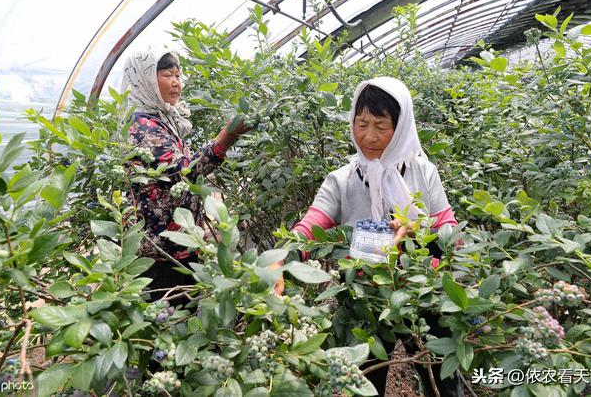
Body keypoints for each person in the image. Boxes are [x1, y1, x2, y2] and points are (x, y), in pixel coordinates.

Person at [274, 77, 461, 396]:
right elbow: (309, 227)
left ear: (400, 128)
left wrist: (417, 228)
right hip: (366, 300)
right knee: (363, 386)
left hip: (423, 297)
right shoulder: (343, 180)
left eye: (381, 125)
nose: (369, 137)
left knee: (442, 385)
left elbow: (451, 234)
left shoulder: (422, 172)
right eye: (361, 124)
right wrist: (278, 260)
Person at [122, 49, 246, 302]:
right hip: (161, 246)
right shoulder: (141, 126)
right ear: (145, 79)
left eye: (178, 75)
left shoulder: (161, 117)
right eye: (169, 75)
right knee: (169, 313)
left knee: (185, 307)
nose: (177, 82)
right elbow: (184, 170)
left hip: (179, 238)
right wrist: (226, 137)